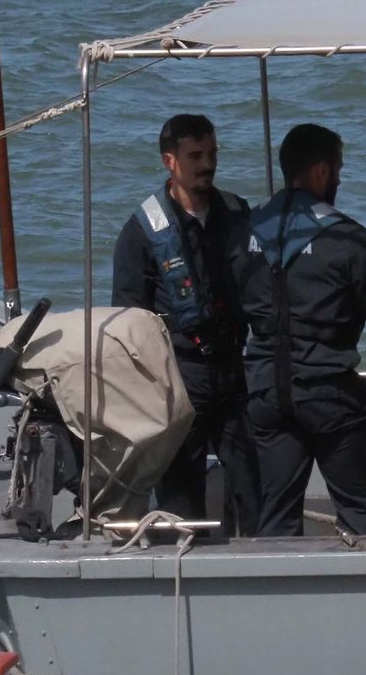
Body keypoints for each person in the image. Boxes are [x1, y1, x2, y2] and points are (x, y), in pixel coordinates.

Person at [233, 123, 366, 536]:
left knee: (276, 518)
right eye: (336, 169)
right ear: (320, 171)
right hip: (329, 393)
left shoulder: (245, 231)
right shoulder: (345, 237)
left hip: (265, 394)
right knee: (363, 513)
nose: (338, 178)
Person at [111, 113, 259, 533]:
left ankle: (252, 564)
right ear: (169, 162)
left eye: (212, 154)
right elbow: (127, 320)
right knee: (180, 495)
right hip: (177, 376)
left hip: (232, 373)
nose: (207, 164)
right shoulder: (140, 233)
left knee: (252, 482)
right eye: (195, 156)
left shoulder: (235, 214)